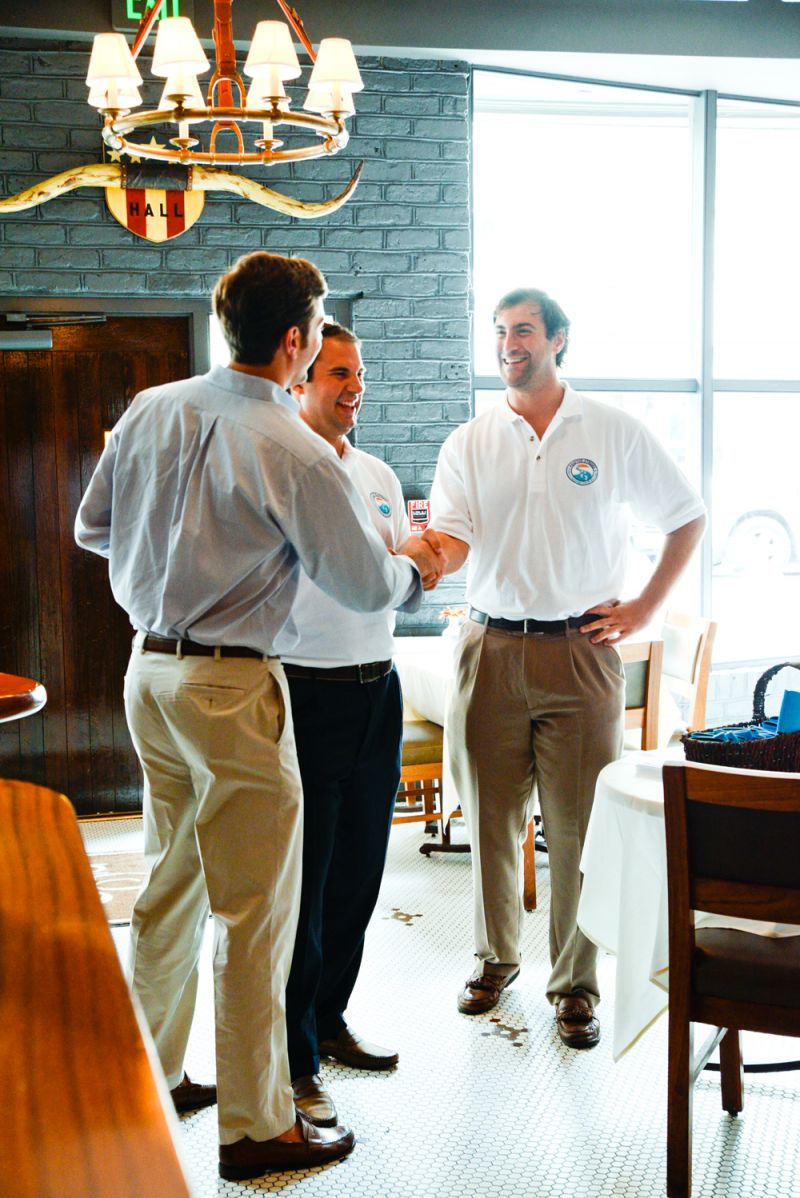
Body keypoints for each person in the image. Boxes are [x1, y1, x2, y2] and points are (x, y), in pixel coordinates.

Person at [74, 251, 441, 1182]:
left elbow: (92, 528)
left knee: (167, 887)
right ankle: (255, 1125)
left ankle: (149, 1079)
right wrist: (421, 566)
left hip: (146, 672)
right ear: (295, 341)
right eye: (320, 337)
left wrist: (174, 556)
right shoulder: (294, 447)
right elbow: (366, 582)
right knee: (255, 910)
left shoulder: (152, 408)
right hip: (233, 688)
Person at [423, 287, 706, 1049]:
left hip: (582, 652)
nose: (508, 344)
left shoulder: (610, 431)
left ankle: (574, 986)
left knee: (580, 829)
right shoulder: (471, 441)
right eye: (499, 333)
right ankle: (494, 960)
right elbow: (449, 539)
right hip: (490, 648)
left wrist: (644, 607)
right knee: (489, 818)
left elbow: (687, 514)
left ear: (557, 341)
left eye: (522, 331)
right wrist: (417, 559)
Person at [274, 322, 415, 1127]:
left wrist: (418, 564)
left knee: (361, 871)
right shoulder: (285, 467)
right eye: (337, 373)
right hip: (305, 691)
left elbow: (398, 570)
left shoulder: (379, 473)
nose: (353, 386)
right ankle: (293, 1058)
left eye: (360, 372)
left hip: (378, 688)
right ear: (299, 380)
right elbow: (387, 574)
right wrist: (410, 568)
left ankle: (329, 1022)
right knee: (307, 880)